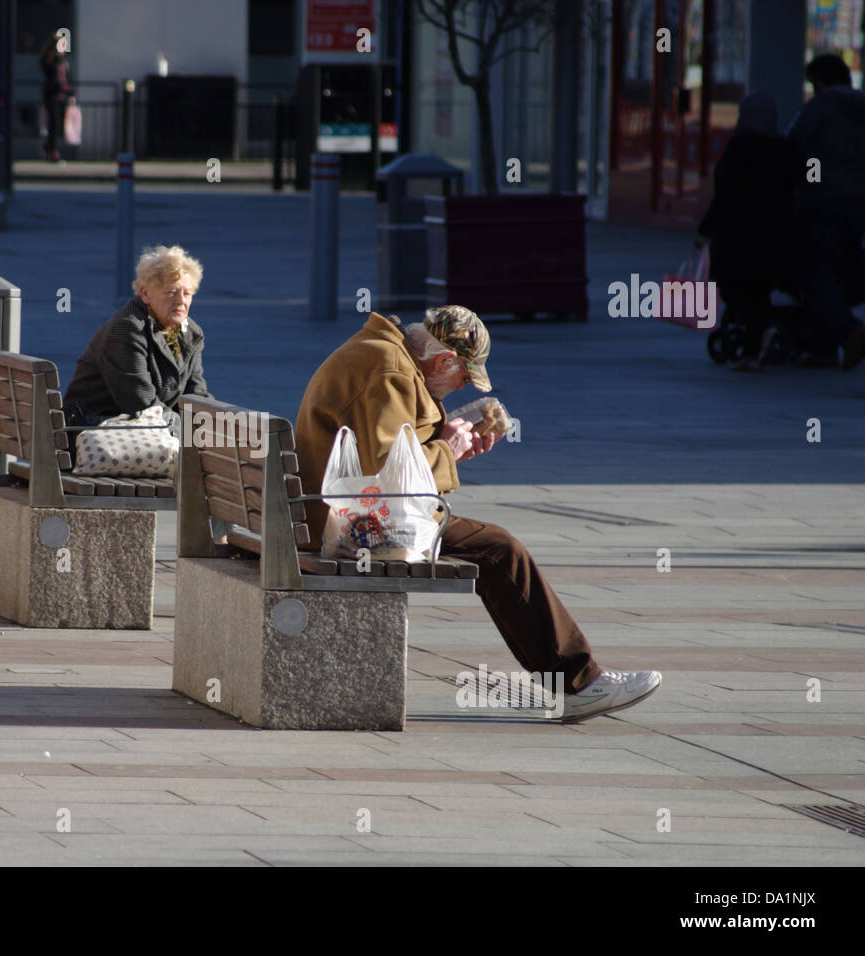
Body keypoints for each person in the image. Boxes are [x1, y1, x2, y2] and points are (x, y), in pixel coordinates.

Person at [295, 305, 662, 723]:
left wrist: (449, 447)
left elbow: (392, 453)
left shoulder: (385, 354)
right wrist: (447, 451)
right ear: (444, 360)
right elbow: (389, 477)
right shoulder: (389, 369)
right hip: (350, 528)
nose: (461, 387)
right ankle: (578, 684)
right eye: (463, 377)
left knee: (493, 545)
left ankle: (573, 680)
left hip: (332, 515)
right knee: (498, 550)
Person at [64, 244, 227, 541]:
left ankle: (216, 547)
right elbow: (139, 403)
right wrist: (199, 437)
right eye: (171, 293)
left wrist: (219, 429)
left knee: (226, 452)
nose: (181, 301)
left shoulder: (189, 332)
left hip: (144, 430)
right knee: (210, 460)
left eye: (187, 293)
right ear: (145, 294)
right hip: (101, 432)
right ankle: (213, 549)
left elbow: (196, 395)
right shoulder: (126, 330)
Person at [695, 92, 803, 371]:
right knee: (759, 289)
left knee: (737, 290)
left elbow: (724, 197)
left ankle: (753, 348)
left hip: (738, 238)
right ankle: (757, 341)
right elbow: (801, 186)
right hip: (777, 236)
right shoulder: (787, 150)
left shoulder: (738, 149)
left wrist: (705, 231)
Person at [785, 53, 865, 370]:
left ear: (817, 81)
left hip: (822, 201)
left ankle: (848, 331)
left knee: (813, 270)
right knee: (840, 269)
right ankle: (824, 347)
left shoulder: (820, 108)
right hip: (858, 204)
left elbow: (794, 148)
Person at [39, 33, 73, 162]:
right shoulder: (51, 60)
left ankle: (48, 147)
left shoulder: (63, 61)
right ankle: (52, 151)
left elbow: (67, 78)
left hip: (61, 95)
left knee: (59, 124)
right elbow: (52, 78)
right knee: (53, 123)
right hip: (52, 95)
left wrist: (70, 93)